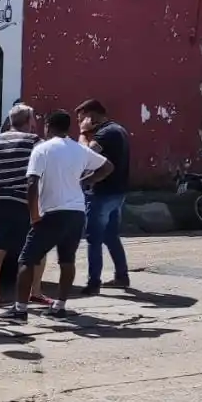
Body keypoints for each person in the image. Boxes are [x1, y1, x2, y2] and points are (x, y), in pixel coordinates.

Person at [0, 110, 114, 322]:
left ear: (48, 126)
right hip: (77, 212)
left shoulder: (42, 149)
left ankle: (20, 309)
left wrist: (34, 213)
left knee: (26, 259)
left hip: (52, 211)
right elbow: (107, 166)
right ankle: (59, 307)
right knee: (67, 260)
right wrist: (86, 181)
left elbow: (31, 183)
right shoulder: (79, 149)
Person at [0, 104, 45, 305]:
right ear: (28, 120)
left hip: (2, 200)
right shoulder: (34, 141)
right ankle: (35, 291)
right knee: (37, 246)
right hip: (26, 201)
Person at [75, 98, 131, 294]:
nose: (79, 123)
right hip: (118, 192)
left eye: (81, 119)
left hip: (102, 193)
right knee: (111, 235)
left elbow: (85, 155)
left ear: (91, 116)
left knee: (94, 238)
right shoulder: (118, 130)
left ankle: (93, 283)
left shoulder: (105, 133)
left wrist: (83, 133)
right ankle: (122, 276)